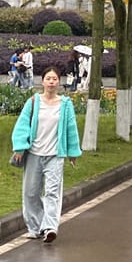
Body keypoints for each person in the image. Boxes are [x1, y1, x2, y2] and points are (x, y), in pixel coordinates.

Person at [11, 65, 81, 243]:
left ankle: (50, 227)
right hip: (34, 153)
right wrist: (19, 147)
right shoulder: (33, 102)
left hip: (55, 155)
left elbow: (71, 129)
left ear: (58, 82)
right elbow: (22, 125)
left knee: (52, 192)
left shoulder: (65, 104)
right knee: (31, 193)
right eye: (48, 78)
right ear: (42, 81)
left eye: (54, 79)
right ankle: (35, 228)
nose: (51, 82)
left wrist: (73, 151)